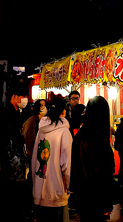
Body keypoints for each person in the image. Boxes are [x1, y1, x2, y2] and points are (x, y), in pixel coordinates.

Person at [71, 96, 117, 222]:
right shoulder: (98, 137)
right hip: (95, 196)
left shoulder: (82, 134)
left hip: (83, 194)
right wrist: (105, 201)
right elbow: (102, 171)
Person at [31, 94, 73, 222]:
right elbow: (66, 164)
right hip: (57, 190)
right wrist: (69, 186)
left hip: (40, 187)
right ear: (63, 111)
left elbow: (35, 159)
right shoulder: (64, 132)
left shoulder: (41, 130)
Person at [0, 81, 32, 222]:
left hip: (15, 166)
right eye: (23, 96)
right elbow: (10, 142)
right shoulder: (8, 114)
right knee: (13, 202)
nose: (25, 100)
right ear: (14, 97)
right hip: (11, 167)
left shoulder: (14, 113)